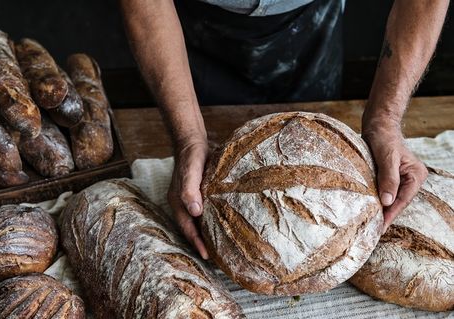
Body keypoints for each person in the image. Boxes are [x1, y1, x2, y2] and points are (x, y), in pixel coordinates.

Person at [120, 0, 449, 259]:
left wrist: (385, 120)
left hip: (311, 19)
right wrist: (189, 137)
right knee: (210, 182)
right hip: (184, 29)